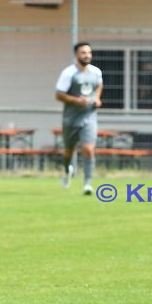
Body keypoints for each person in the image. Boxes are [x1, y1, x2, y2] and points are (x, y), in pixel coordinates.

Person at [55, 42, 103, 195]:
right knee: (69, 150)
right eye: (83, 52)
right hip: (71, 117)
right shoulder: (68, 73)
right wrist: (77, 101)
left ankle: (87, 183)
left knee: (88, 149)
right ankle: (66, 170)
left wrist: (96, 98)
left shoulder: (96, 72)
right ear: (76, 55)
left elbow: (99, 86)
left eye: (89, 52)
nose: (87, 55)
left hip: (89, 116)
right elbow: (59, 94)